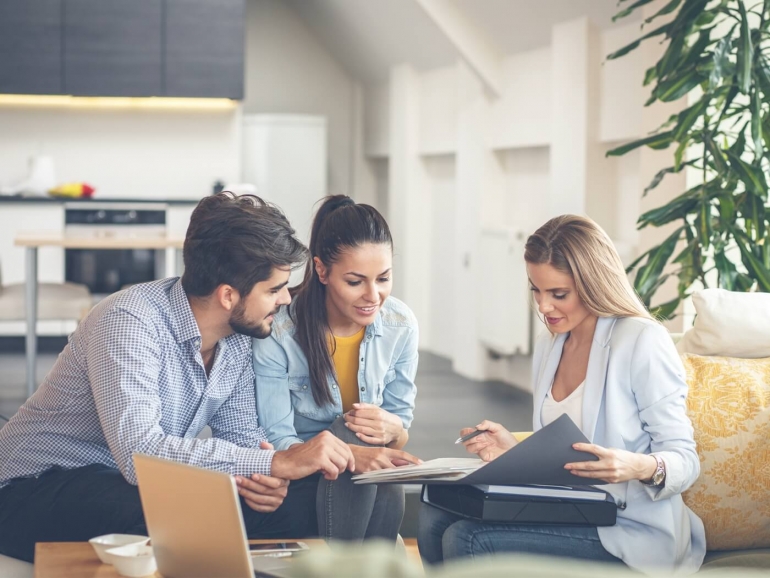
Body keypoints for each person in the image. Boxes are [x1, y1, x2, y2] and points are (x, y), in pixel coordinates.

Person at [0, 192, 355, 563]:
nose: (284, 299)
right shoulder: (128, 321)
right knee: (173, 508)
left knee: (304, 502)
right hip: (31, 489)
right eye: (273, 289)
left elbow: (242, 438)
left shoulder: (235, 340)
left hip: (129, 484)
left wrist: (262, 481)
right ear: (228, 296)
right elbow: (140, 454)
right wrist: (273, 463)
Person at [418, 215, 706, 573]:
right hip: (572, 511)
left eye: (558, 294)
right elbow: (566, 453)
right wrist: (514, 449)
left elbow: (686, 461)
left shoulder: (641, 341)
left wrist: (638, 466)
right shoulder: (551, 345)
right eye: (535, 290)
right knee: (434, 515)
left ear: (593, 284)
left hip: (629, 530)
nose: (543, 307)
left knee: (468, 538)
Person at [251, 195, 420, 542]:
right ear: (322, 270)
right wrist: (350, 453)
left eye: (384, 279)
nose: (373, 295)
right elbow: (278, 439)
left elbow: (399, 433)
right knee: (348, 431)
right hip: (303, 476)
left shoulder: (401, 324)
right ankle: (372, 561)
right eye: (356, 282)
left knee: (370, 443)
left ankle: (358, 565)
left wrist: (392, 429)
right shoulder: (280, 332)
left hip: (366, 482)